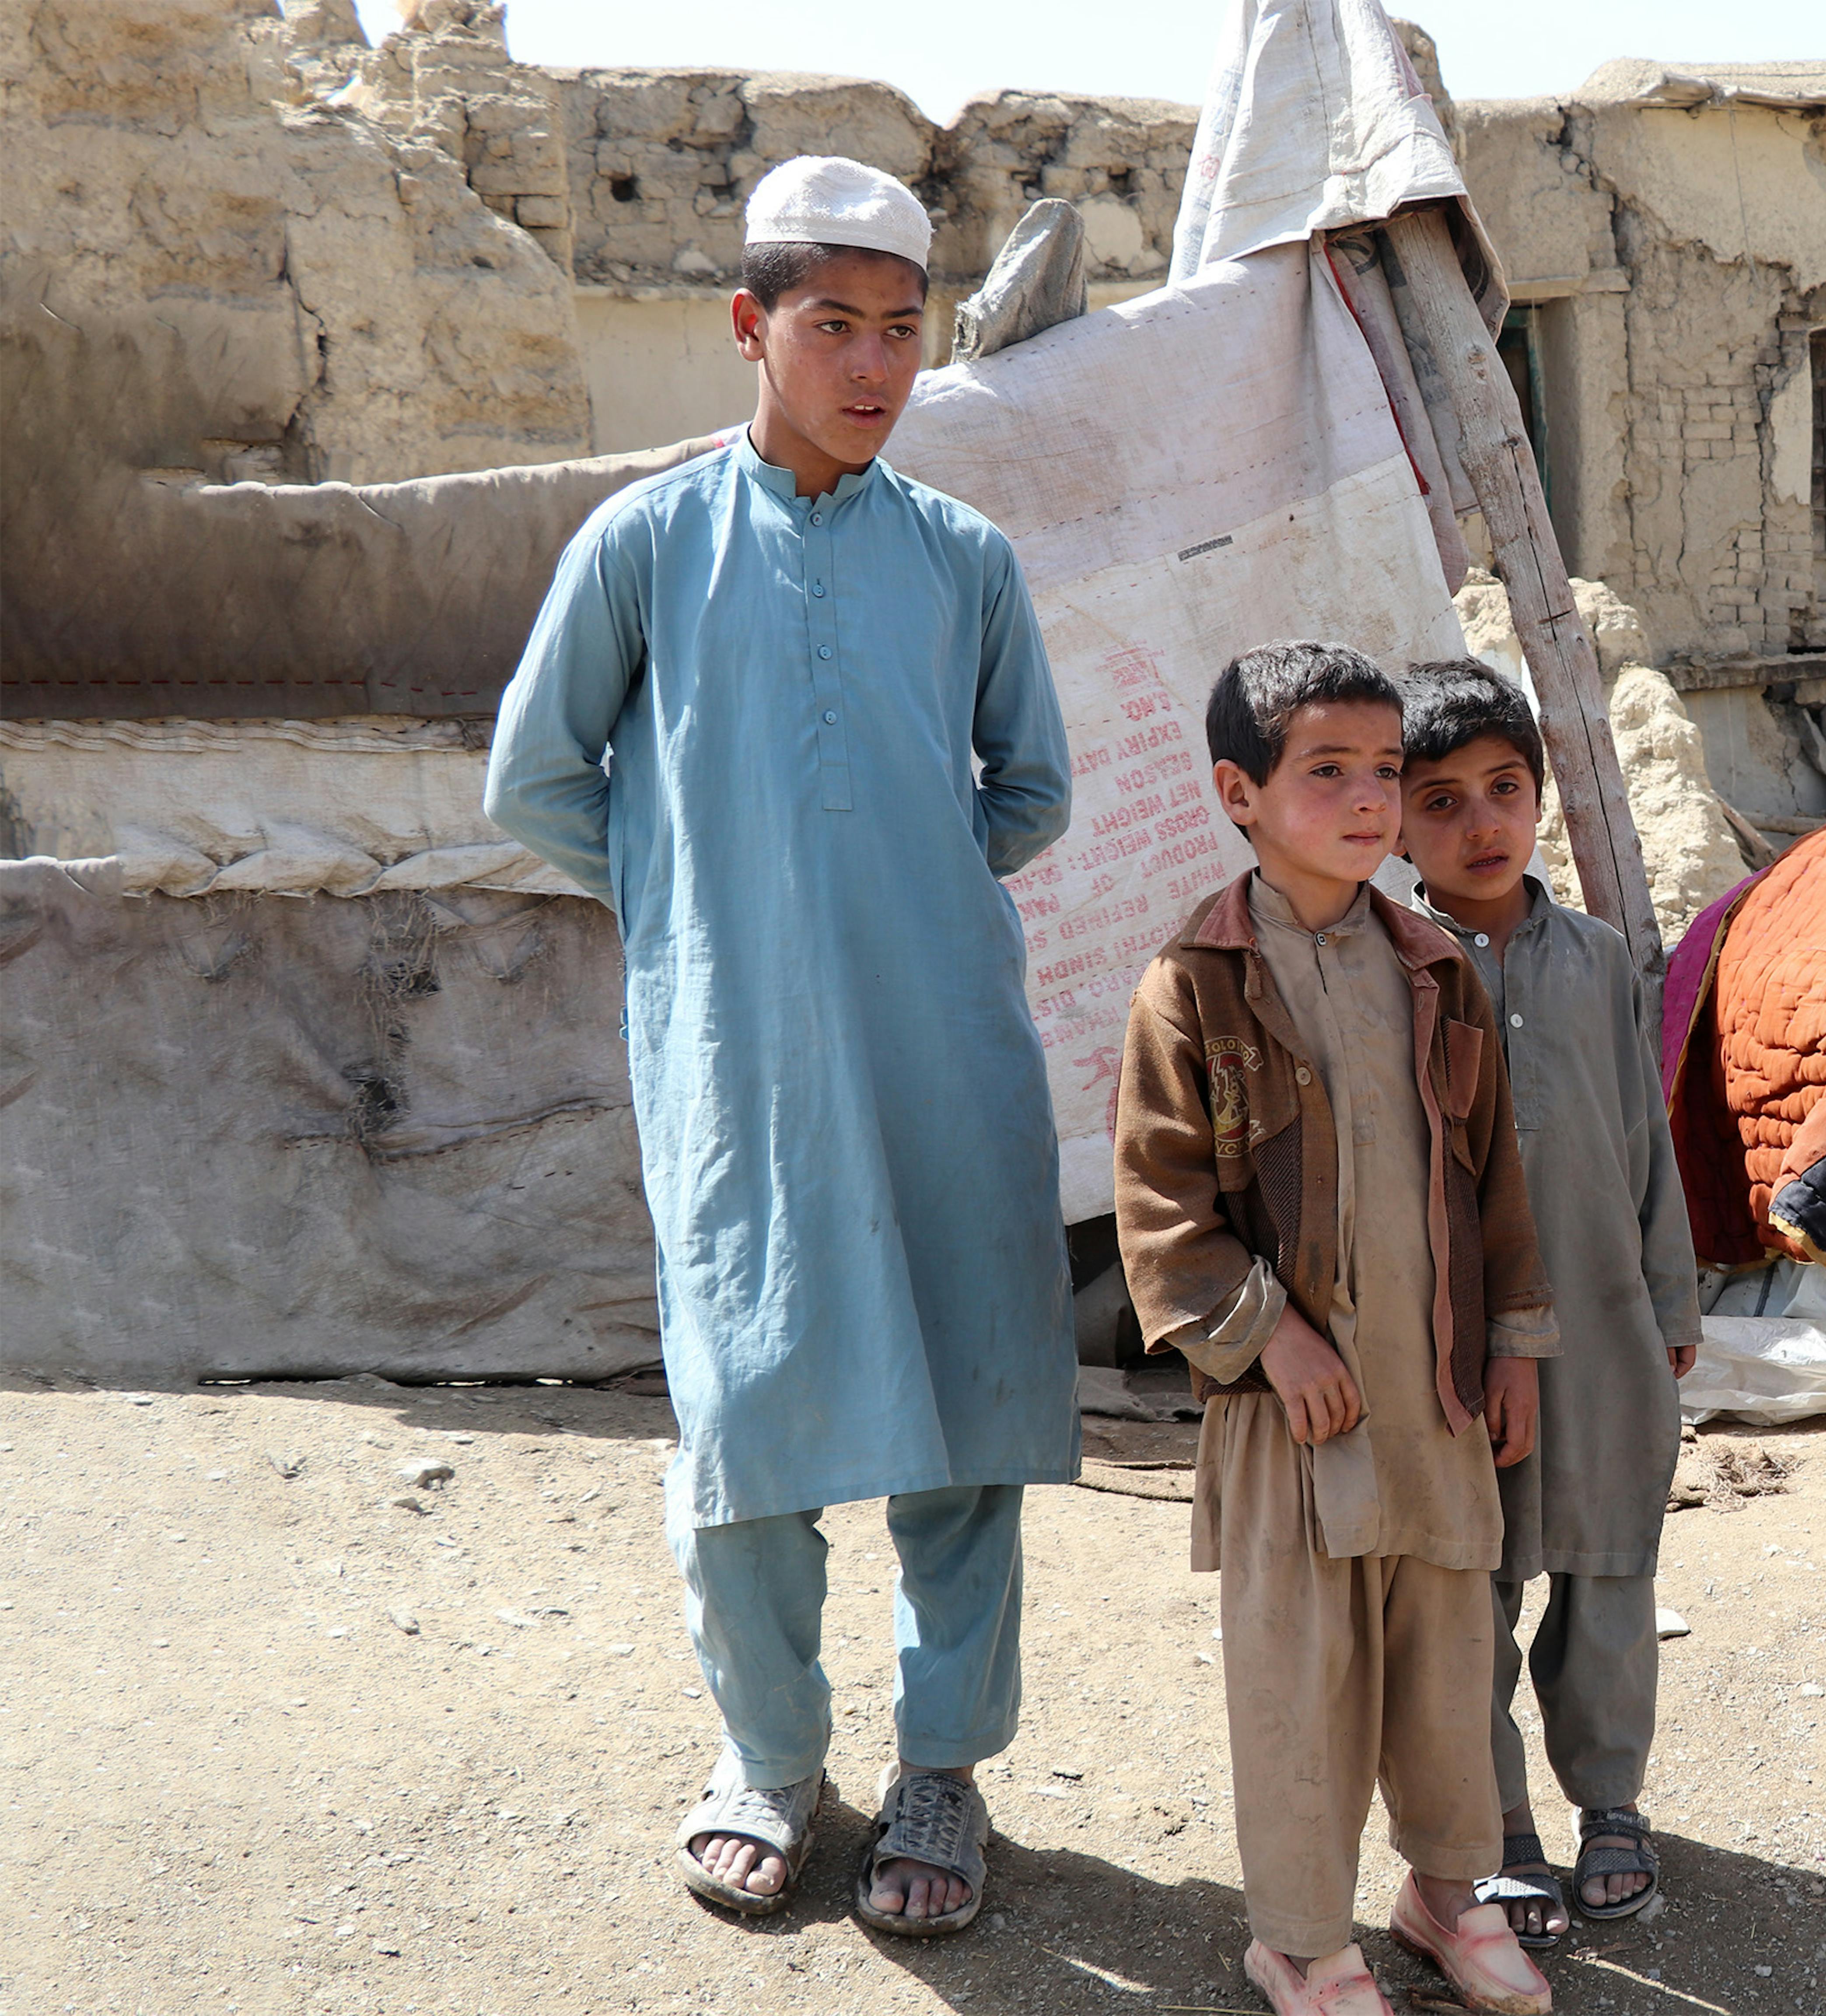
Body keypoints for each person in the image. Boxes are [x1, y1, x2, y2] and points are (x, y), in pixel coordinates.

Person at [485, 154, 1074, 1938]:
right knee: (745, 1423)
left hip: (942, 1055)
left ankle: (943, 1771)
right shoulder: (648, 545)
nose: (875, 367)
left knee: (963, 1425)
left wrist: (887, 891)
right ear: (751, 328)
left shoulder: (962, 559)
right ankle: (770, 1760)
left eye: (903, 331)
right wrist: (702, 903)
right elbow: (535, 782)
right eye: (835, 328)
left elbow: (1029, 787)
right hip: (736, 1065)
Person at [1113, 642, 1560, 2016]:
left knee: (1443, 1667)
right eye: (1330, 772)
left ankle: (1448, 1894)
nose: (1373, 801)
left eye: (1384, 772)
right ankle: (1303, 1941)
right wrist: (1268, 1334)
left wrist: (1515, 1342)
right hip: (1293, 1415)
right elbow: (1161, 1201)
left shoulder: (1433, 967)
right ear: (1239, 793)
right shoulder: (1194, 983)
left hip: (1430, 1402)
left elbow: (1491, 1175)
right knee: (1301, 1685)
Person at [1394, 662, 1702, 1946]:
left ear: (1542, 794)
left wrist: (1671, 1294)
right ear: (1398, 826)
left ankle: (1612, 1804)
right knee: (1472, 1592)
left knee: (1610, 1570)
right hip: (1457, 1349)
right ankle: (1500, 1824)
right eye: (1444, 800)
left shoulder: (1597, 957)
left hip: (1606, 1327)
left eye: (1505, 790)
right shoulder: (1390, 967)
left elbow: (1645, 1137)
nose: (1482, 823)